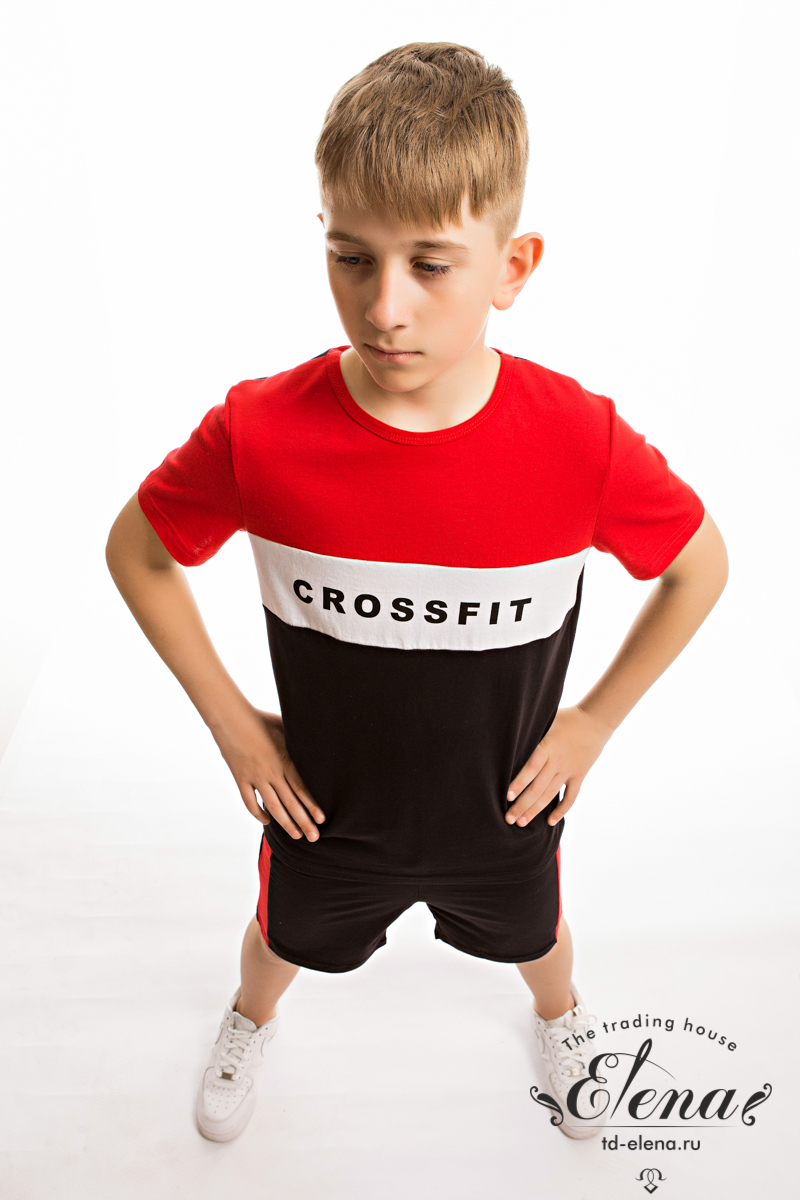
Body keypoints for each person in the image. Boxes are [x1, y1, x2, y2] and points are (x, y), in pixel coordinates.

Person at [105, 42, 728, 1144]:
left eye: (430, 265)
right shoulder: (261, 432)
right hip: (323, 812)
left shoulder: (576, 441)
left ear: (512, 267)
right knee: (278, 940)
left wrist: (591, 722)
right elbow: (139, 552)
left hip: (505, 812)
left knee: (541, 938)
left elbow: (698, 567)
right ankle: (250, 1020)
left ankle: (561, 1017)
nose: (383, 306)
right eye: (351, 257)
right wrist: (234, 727)